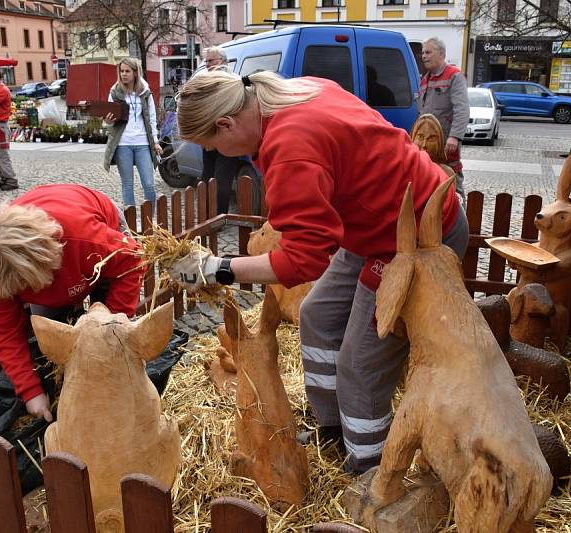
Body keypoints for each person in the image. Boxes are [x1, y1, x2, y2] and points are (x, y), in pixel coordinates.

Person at [168, 70, 469, 474]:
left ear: (226, 123)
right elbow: (314, 230)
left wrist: (216, 269)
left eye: (213, 145)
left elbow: (302, 260)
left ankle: (371, 469)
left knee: (359, 365)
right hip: (374, 226)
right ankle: (334, 428)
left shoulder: (290, 145)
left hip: (416, 236)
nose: (220, 154)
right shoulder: (294, 90)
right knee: (317, 316)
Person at [0, 184, 145, 422]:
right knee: (56, 344)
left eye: (27, 286)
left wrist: (109, 327)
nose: (24, 292)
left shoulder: (86, 239)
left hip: (92, 240)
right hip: (59, 265)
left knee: (109, 341)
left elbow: (132, 261)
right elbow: (5, 332)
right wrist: (31, 392)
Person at [102, 57, 162, 208]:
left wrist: (155, 141)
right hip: (123, 144)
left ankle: (151, 221)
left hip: (143, 143)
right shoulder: (115, 93)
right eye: (121, 71)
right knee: (127, 185)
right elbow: (109, 121)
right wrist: (108, 121)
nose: (124, 74)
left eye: (127, 71)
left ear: (135, 73)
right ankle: (131, 224)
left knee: (148, 184)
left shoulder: (145, 92)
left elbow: (152, 118)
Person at [418, 37, 469, 200]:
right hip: (429, 143)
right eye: (423, 53)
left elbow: (462, 109)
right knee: (431, 181)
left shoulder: (454, 76)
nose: (424, 56)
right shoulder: (425, 79)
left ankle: (461, 220)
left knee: (453, 182)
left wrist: (455, 137)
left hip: (447, 142)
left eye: (428, 52)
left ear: (441, 53)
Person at [199, 46, 244, 215]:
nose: (208, 64)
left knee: (222, 182)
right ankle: (207, 214)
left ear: (223, 61)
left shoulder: (233, 81)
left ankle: (219, 217)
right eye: (207, 61)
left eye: (212, 61)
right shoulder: (204, 82)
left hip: (228, 140)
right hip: (209, 140)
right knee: (206, 179)